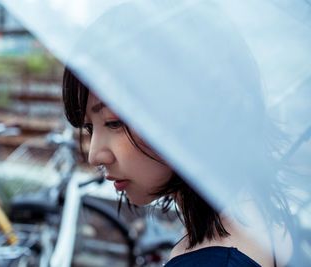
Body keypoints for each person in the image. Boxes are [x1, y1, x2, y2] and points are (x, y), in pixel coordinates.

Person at [62, 67, 293, 266]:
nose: (94, 155)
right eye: (90, 128)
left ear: (188, 115)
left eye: (114, 122)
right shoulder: (254, 211)